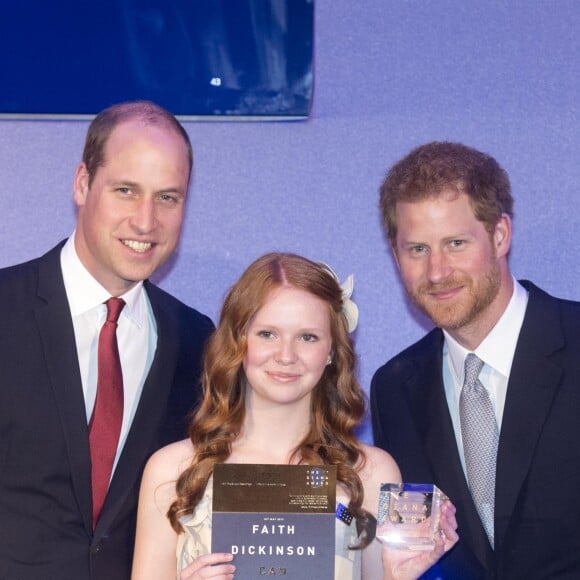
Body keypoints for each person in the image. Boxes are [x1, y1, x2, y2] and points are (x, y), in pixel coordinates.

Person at [132, 252, 458, 580]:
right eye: (267, 334)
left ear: (331, 350)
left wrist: (404, 575)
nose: (286, 355)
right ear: (238, 341)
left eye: (307, 337)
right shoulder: (172, 471)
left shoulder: (371, 473)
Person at [0, 101, 214, 580]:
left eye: (168, 198)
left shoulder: (198, 342)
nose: (145, 222)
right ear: (82, 184)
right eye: (126, 190)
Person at [371, 141, 580, 579]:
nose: (437, 271)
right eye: (417, 249)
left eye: (456, 243)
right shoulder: (394, 388)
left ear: (500, 235)